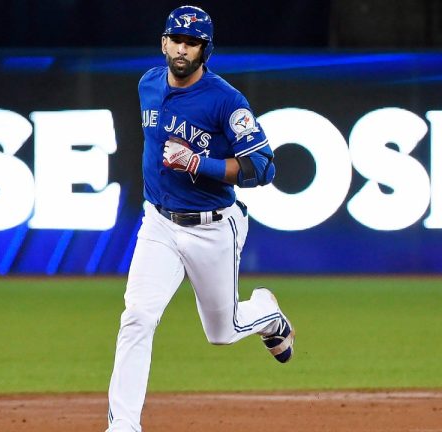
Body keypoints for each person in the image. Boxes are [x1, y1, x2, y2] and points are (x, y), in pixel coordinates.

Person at [104, 5, 295, 431]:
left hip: (213, 228)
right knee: (137, 315)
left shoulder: (226, 100)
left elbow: (264, 168)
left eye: (192, 43)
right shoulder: (148, 84)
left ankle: (266, 310)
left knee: (222, 331)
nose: (183, 48)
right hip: (158, 224)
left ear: (205, 50)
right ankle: (123, 426)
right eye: (177, 39)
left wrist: (199, 164)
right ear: (163, 42)